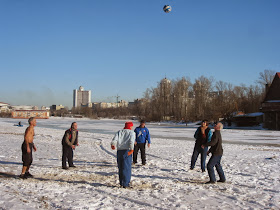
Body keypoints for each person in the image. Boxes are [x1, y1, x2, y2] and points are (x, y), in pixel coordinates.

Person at [111, 121, 135, 188]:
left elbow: (115, 139)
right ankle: (126, 183)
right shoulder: (131, 133)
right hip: (127, 151)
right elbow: (131, 141)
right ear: (130, 126)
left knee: (120, 167)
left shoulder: (119, 132)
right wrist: (131, 149)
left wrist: (113, 144)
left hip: (119, 151)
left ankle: (121, 182)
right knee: (126, 168)